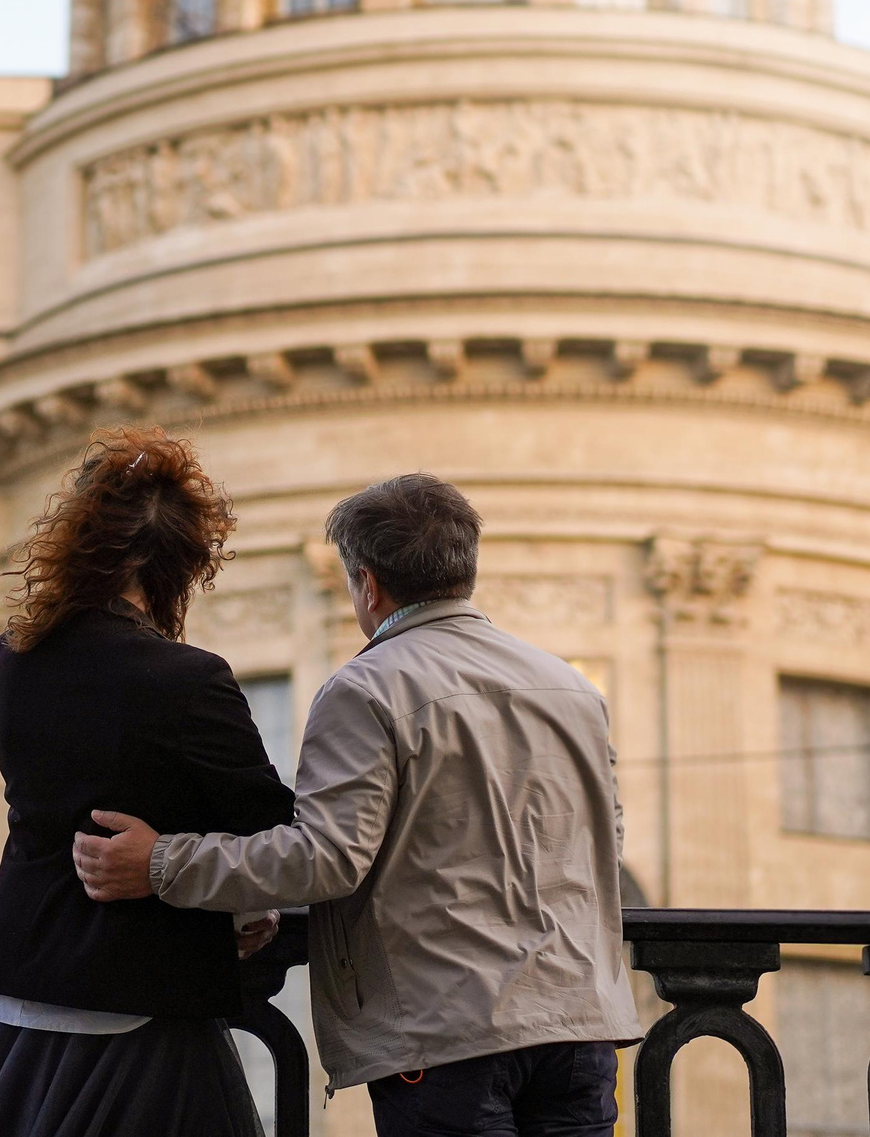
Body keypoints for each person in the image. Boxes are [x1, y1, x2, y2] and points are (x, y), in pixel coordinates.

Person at [72, 473, 641, 1137]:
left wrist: (162, 862)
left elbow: (325, 858)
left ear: (368, 584)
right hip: (577, 1025)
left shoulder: (366, 688)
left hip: (447, 1037)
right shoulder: (571, 687)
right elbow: (606, 836)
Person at [0, 427, 295, 1137]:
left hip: (6, 999)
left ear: (75, 542)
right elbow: (274, 834)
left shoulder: (13, 657)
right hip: (132, 1014)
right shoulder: (190, 679)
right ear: (184, 565)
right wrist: (237, 904)